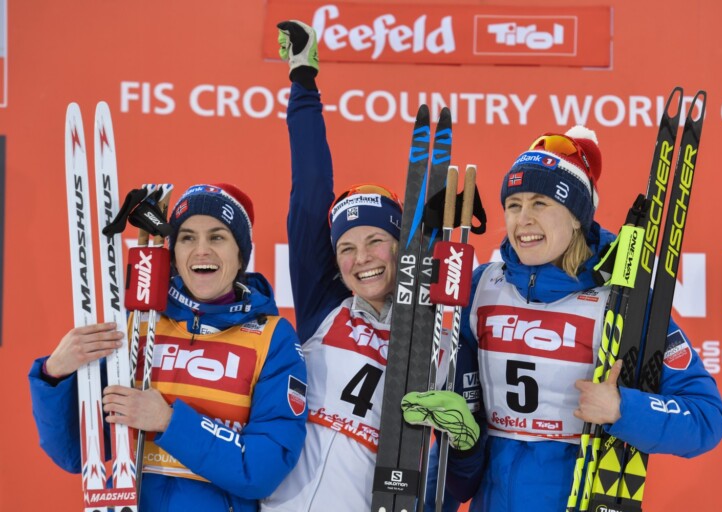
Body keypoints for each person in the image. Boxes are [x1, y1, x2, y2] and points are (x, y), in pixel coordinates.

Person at [402, 127, 722, 511]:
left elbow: (707, 418)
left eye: (540, 203)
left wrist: (623, 408)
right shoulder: (482, 287)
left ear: (576, 217)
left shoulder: (624, 303)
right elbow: (460, 421)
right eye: (513, 205)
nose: (523, 219)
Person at [261, 20, 452, 512]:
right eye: (346, 247)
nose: (361, 258)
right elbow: (309, 193)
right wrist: (303, 82)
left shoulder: (433, 333)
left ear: (401, 247)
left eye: (375, 241)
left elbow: (449, 458)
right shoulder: (324, 307)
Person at [29, 183, 308, 511]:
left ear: (240, 255)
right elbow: (75, 453)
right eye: (187, 238)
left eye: (217, 237)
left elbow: (262, 469)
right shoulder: (138, 323)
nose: (201, 250)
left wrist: (169, 421)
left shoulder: (273, 338)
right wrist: (54, 375)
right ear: (173, 254)